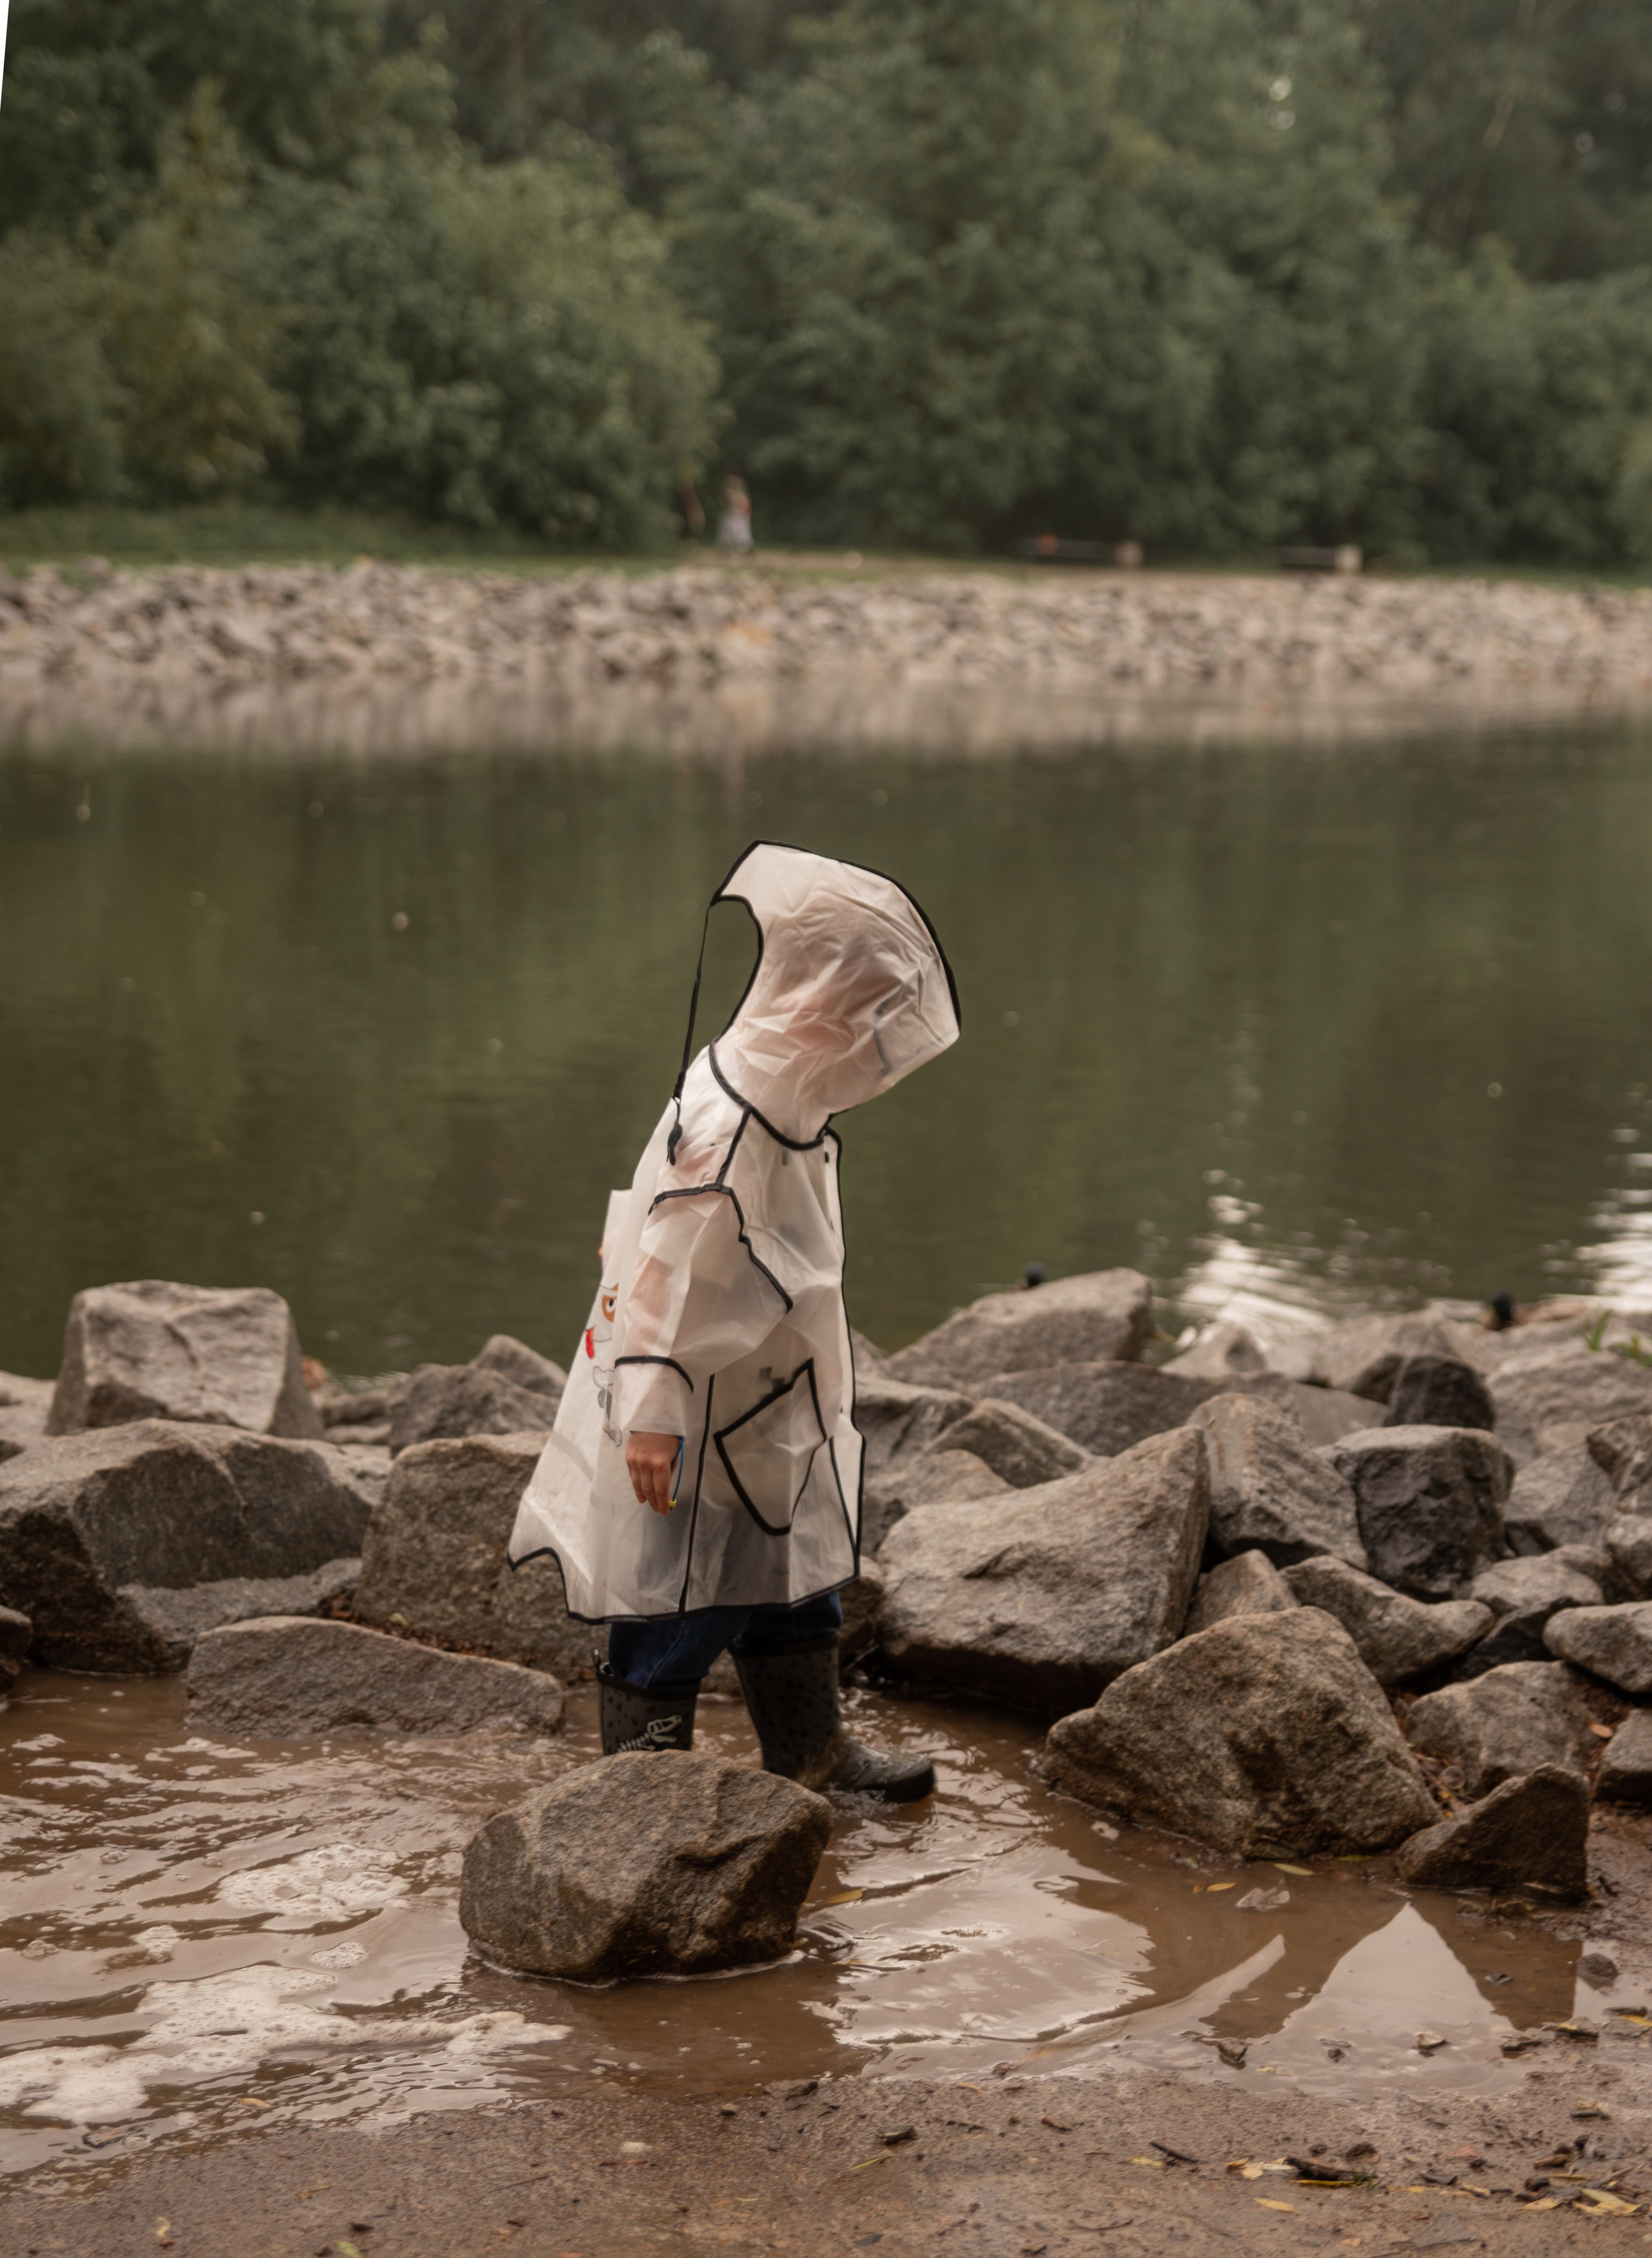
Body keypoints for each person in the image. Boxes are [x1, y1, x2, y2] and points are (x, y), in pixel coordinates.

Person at [509, 842, 960, 1802]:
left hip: (768, 1396)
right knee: (676, 1593)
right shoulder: (734, 1114)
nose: (872, 1043)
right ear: (815, 997)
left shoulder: (780, 1092)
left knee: (794, 1577)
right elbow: (666, 1261)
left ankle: (814, 1753)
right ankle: (636, 1795)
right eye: (865, 1016)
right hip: (704, 1408)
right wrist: (655, 1406)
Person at [717, 474, 754, 550]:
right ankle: (725, 549)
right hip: (731, 512)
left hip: (740, 513)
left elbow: (745, 503)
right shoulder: (728, 492)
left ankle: (746, 549)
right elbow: (725, 501)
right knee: (727, 532)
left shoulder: (741, 493)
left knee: (742, 532)